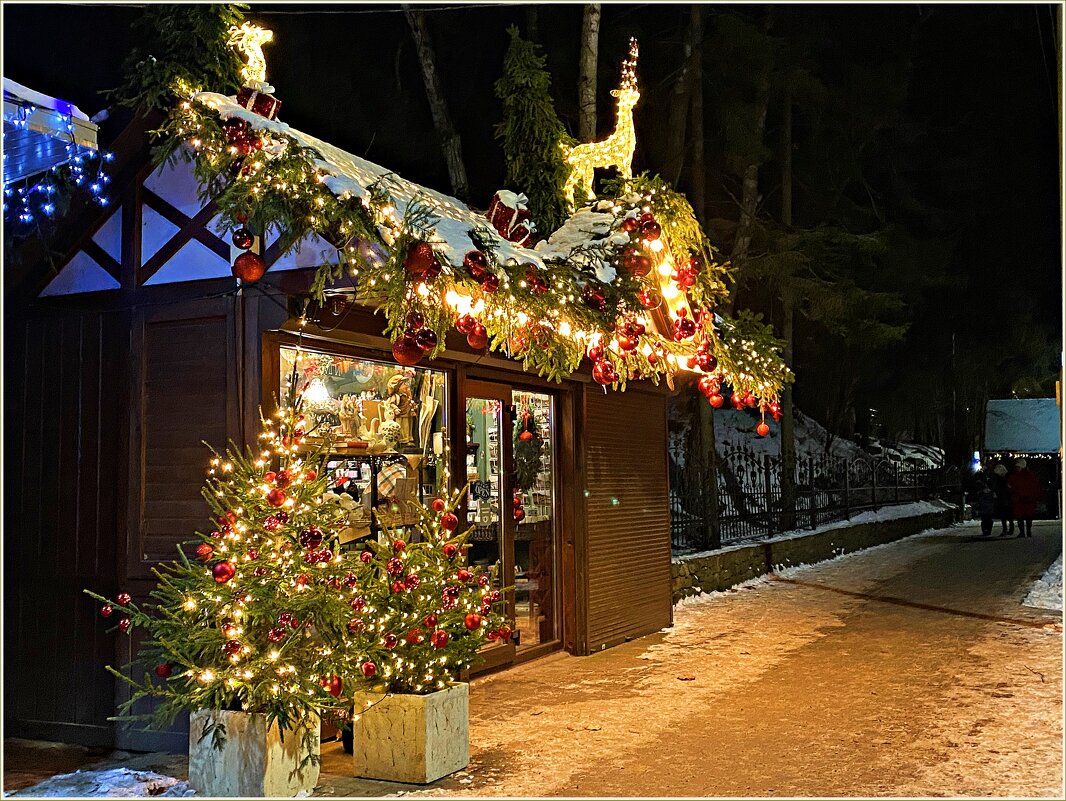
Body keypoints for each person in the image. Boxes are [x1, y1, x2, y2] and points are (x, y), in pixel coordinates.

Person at [1006, 457, 1043, 538]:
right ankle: (1026, 532)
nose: (1017, 468)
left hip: (1022, 499)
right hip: (1024, 499)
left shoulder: (1017, 476)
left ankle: (1024, 532)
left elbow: (1011, 486)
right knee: (1025, 516)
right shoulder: (1029, 476)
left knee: (1022, 517)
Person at [992, 463, 1014, 536]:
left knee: (1005, 515)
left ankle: (1006, 529)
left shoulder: (1002, 479)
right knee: (1007, 515)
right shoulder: (1004, 478)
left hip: (1004, 498)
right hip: (1005, 498)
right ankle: (1009, 529)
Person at [973, 471, 996, 536]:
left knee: (987, 519)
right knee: (985, 520)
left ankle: (987, 530)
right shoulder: (983, 492)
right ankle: (986, 530)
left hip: (987, 507)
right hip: (985, 507)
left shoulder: (986, 492)